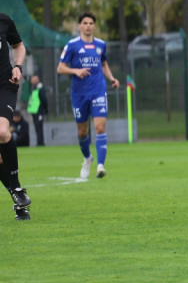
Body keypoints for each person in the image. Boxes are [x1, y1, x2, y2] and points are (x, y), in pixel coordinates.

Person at [57, 12, 119, 180]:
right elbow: (60, 68)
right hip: (79, 94)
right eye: (85, 23)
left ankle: (100, 166)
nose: (88, 26)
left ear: (94, 26)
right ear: (79, 26)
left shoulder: (101, 44)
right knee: (83, 132)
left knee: (100, 127)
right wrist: (75, 71)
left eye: (91, 23)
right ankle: (87, 158)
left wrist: (112, 78)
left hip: (98, 90)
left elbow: (104, 64)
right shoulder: (72, 45)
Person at [0, 13, 32, 220]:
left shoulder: (4, 20)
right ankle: (17, 197)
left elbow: (19, 46)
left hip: (5, 86)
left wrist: (18, 67)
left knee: (2, 131)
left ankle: (17, 187)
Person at [26, 73, 48, 146]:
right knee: (36, 127)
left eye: (35, 79)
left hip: (39, 110)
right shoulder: (32, 88)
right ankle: (39, 142)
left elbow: (44, 99)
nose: (34, 81)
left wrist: (45, 109)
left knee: (39, 127)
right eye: (33, 79)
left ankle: (41, 143)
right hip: (34, 110)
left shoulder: (40, 88)